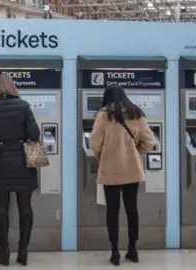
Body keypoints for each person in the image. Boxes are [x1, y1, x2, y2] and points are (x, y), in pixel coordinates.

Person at [90, 85, 154, 266]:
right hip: (132, 170)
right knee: (132, 209)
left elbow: (95, 143)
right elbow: (149, 142)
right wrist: (134, 154)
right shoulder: (136, 114)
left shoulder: (104, 115)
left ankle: (115, 252)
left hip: (110, 170)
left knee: (112, 210)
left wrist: (104, 157)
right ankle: (133, 249)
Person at [0, 74, 41, 266]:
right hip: (23, 161)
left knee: (1, 207)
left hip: (0, 161)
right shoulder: (23, 106)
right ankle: (23, 251)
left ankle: (4, 252)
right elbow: (34, 134)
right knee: (25, 207)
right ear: (13, 87)